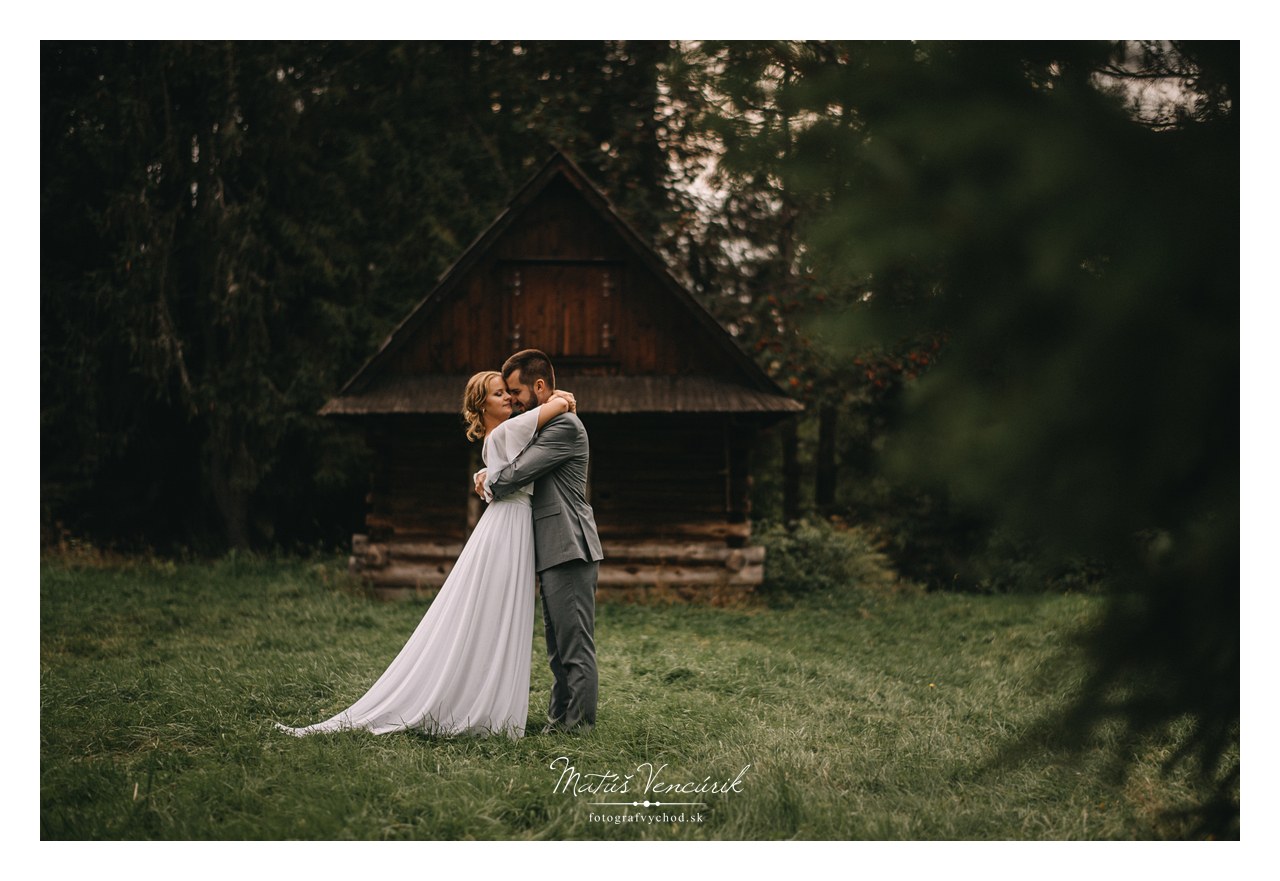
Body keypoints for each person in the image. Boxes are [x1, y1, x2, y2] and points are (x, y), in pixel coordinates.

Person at [275, 371, 575, 739]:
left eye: (507, 393)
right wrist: (562, 400)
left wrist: (486, 475)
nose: (509, 399)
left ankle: (490, 699)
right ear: (483, 405)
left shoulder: (502, 437)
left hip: (511, 525)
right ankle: (484, 707)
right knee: (496, 609)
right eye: (499, 395)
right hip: (507, 528)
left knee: (501, 611)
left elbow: (517, 465)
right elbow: (551, 410)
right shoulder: (505, 432)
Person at [475, 349, 604, 734]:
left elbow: (515, 474)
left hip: (569, 544)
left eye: (516, 391)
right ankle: (557, 721)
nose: (512, 400)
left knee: (575, 645)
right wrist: (488, 471)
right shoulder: (545, 425)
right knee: (556, 647)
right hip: (551, 549)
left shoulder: (563, 427)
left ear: (540, 386)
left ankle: (579, 729)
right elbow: (514, 461)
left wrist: (489, 479)